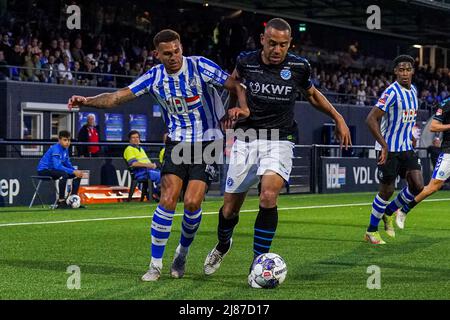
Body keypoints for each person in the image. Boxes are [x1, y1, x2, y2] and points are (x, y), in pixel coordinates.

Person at [67, 29, 250, 281]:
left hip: (208, 142)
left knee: (193, 203)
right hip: (177, 143)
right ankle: (154, 265)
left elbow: (235, 85)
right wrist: (86, 100)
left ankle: (182, 253)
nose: (173, 56)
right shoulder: (154, 77)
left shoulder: (200, 66)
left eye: (176, 51)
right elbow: (117, 97)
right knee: (167, 199)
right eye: (167, 53)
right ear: (157, 54)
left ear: (181, 47)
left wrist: (239, 108)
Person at [202, 18, 352, 284]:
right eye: (272, 43)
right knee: (228, 211)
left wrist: (338, 117)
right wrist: (235, 110)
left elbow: (313, 95)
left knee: (268, 196)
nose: (277, 49)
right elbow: (233, 85)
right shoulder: (246, 61)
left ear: (290, 44)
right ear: (262, 39)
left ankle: (258, 261)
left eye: (283, 45)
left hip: (280, 139)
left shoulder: (298, 66)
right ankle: (223, 245)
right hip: (246, 138)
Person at [364, 55, 424, 245]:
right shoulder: (391, 92)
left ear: (413, 71)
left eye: (408, 69)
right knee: (387, 190)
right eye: (401, 69)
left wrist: (412, 135)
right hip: (388, 149)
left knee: (417, 186)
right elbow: (370, 119)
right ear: (395, 72)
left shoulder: (413, 90)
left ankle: (389, 212)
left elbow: (409, 118)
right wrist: (383, 144)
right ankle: (371, 231)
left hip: (406, 147)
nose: (405, 73)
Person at [395, 97, 450, 228]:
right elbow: (433, 126)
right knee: (433, 187)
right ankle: (403, 210)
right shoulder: (447, 104)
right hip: (448, 151)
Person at [37, 130, 84, 209]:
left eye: (69, 140)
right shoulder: (56, 148)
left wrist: (75, 171)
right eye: (65, 140)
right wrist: (73, 171)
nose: (67, 142)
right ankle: (61, 202)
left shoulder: (65, 150)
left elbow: (67, 163)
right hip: (44, 170)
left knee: (77, 175)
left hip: (54, 171)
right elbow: (57, 166)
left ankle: (73, 200)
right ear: (59, 140)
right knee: (64, 174)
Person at [123, 130, 161, 202]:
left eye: (137, 137)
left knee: (165, 174)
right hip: (139, 173)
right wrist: (148, 165)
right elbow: (133, 164)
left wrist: (152, 165)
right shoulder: (129, 149)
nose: (136, 139)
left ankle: (156, 193)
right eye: (133, 138)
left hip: (147, 171)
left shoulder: (141, 149)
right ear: (130, 140)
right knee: (161, 175)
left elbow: (147, 162)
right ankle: (156, 193)